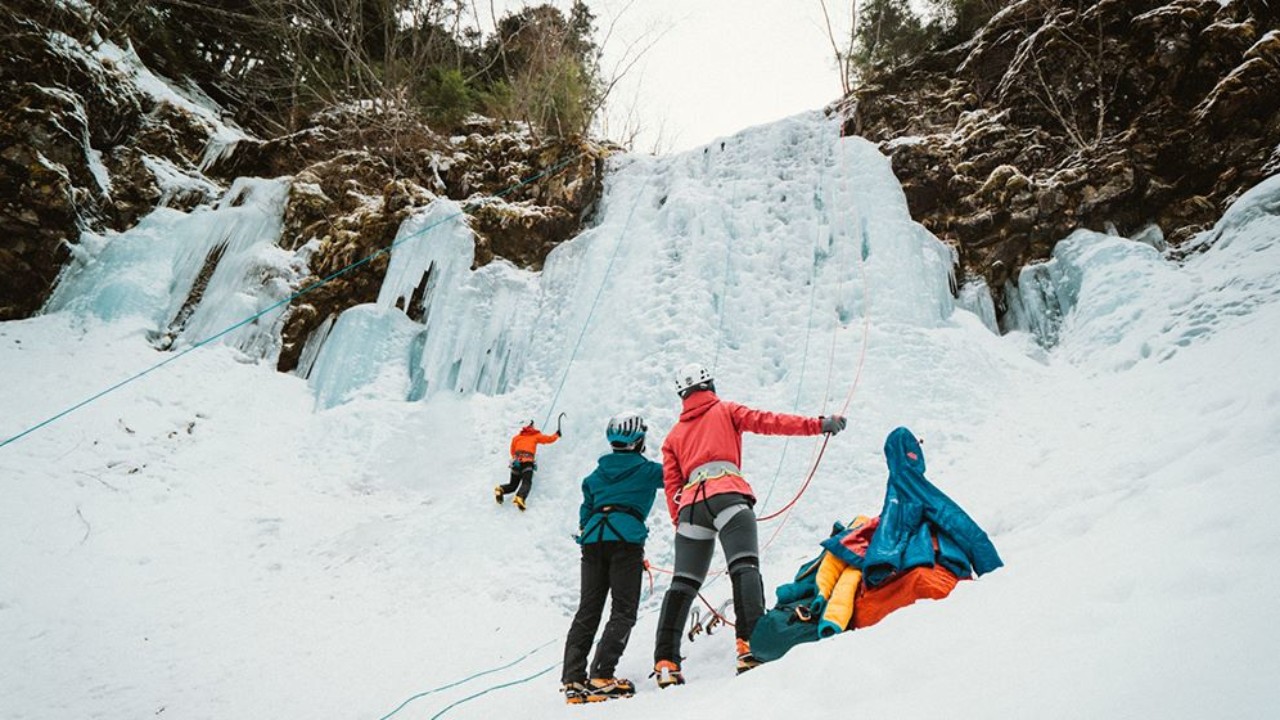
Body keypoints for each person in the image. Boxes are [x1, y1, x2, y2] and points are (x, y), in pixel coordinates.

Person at [652, 363, 846, 687]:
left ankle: (665, 663)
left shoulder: (673, 436)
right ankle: (750, 648)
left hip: (690, 509)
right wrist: (820, 425)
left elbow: (672, 485)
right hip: (728, 495)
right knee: (744, 569)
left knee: (682, 585)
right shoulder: (726, 410)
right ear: (709, 385)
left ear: (682, 395)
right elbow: (770, 422)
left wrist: (681, 524)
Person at [561, 412, 664, 704]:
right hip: (625, 540)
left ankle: (573, 680)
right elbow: (678, 477)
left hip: (593, 541)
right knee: (623, 609)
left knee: (588, 609)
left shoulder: (594, 477)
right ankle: (602, 675)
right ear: (639, 440)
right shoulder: (648, 471)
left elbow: (586, 512)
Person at [495, 420, 559, 510]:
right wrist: (557, 434)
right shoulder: (536, 436)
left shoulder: (517, 437)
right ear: (532, 427)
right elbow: (549, 439)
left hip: (516, 462)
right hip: (527, 462)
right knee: (526, 482)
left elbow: (512, 451)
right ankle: (520, 497)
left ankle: (500, 489)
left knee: (513, 485)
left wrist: (517, 458)